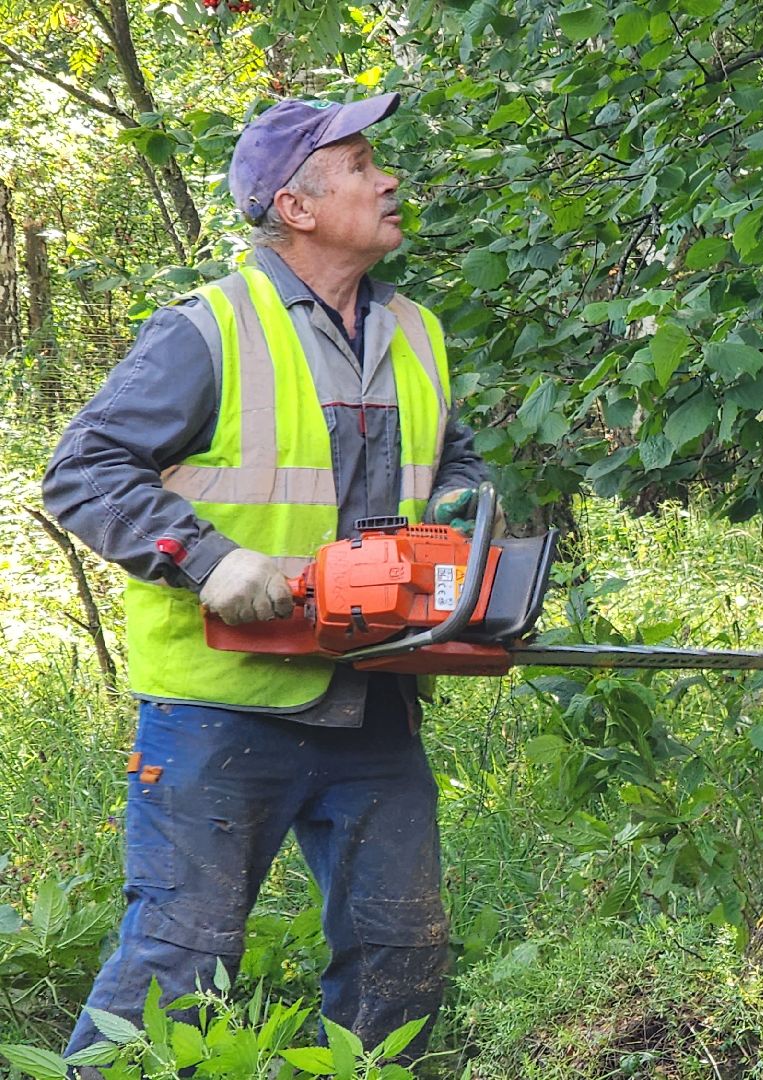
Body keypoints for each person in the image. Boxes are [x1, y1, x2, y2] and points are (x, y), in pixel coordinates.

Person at [41, 93, 489, 1061]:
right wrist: (213, 561)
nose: (390, 179)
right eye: (364, 164)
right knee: (178, 963)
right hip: (220, 711)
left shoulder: (417, 331)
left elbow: (456, 469)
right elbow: (82, 473)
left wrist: (459, 527)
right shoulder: (205, 329)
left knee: (399, 957)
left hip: (375, 702)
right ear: (297, 205)